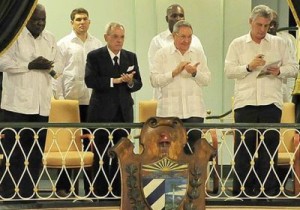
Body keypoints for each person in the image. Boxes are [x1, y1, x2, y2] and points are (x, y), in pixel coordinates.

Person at [224, 5, 298, 197]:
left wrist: (279, 71)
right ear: (250, 22)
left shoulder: (279, 44)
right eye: (259, 25)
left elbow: (294, 68)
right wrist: (248, 67)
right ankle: (242, 191)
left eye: (266, 25)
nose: (262, 30)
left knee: (268, 150)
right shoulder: (237, 44)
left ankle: (269, 191)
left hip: (271, 103)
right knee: (243, 150)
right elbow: (229, 71)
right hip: (245, 103)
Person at [0, 4, 62, 199]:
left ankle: (29, 193)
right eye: (36, 20)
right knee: (14, 153)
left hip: (42, 106)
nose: (40, 23)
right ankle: (9, 192)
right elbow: (2, 61)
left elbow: (60, 64)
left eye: (43, 20)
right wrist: (29, 65)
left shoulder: (50, 38)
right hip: (16, 105)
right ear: (26, 19)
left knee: (35, 154)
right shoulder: (14, 36)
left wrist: (49, 66)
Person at [85, 22, 142, 197]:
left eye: (122, 37)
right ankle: (99, 192)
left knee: (121, 154)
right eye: (115, 36)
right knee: (100, 154)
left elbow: (138, 83)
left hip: (123, 113)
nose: (119, 40)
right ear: (106, 37)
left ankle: (118, 191)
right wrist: (114, 81)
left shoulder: (130, 57)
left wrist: (130, 82)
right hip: (101, 113)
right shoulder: (95, 56)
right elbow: (90, 81)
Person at [53, 7, 103, 197]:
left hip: (92, 101)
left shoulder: (97, 44)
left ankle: (92, 187)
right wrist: (58, 99)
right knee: (68, 146)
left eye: (85, 19)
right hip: (70, 103)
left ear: (89, 22)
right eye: (78, 19)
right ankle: (64, 187)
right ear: (71, 23)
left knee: (92, 145)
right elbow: (57, 73)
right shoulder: (63, 44)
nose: (82, 22)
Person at [150, 20, 211, 155]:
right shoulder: (162, 54)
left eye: (189, 36)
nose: (186, 40)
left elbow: (207, 80)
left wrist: (194, 73)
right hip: (169, 112)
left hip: (194, 111)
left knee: (192, 154)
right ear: (174, 36)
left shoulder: (198, 53)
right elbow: (154, 81)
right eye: (183, 36)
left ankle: (192, 177)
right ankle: (172, 177)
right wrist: (174, 72)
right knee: (170, 154)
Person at [148, 4, 204, 100]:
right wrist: (175, 71)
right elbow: (154, 74)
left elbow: (203, 71)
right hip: (166, 98)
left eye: (181, 15)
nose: (178, 18)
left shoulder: (195, 40)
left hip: (190, 98)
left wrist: (194, 72)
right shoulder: (157, 41)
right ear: (167, 18)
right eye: (174, 16)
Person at [268, 9, 297, 102]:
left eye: (274, 23)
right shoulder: (255, 40)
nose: (271, 27)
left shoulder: (288, 39)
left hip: (284, 86)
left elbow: (293, 68)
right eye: (269, 23)